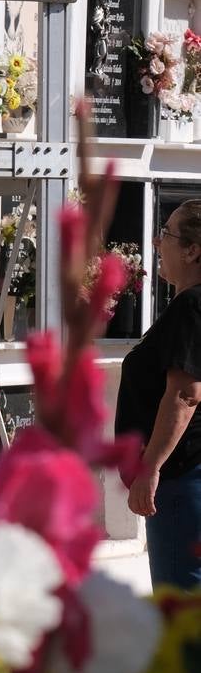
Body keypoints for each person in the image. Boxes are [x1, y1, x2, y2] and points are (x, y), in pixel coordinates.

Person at [120, 199, 201, 589]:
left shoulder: (192, 306)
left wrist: (150, 468)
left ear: (192, 250)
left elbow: (185, 394)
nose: (156, 242)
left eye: (166, 233)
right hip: (188, 477)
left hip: (183, 479)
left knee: (181, 601)